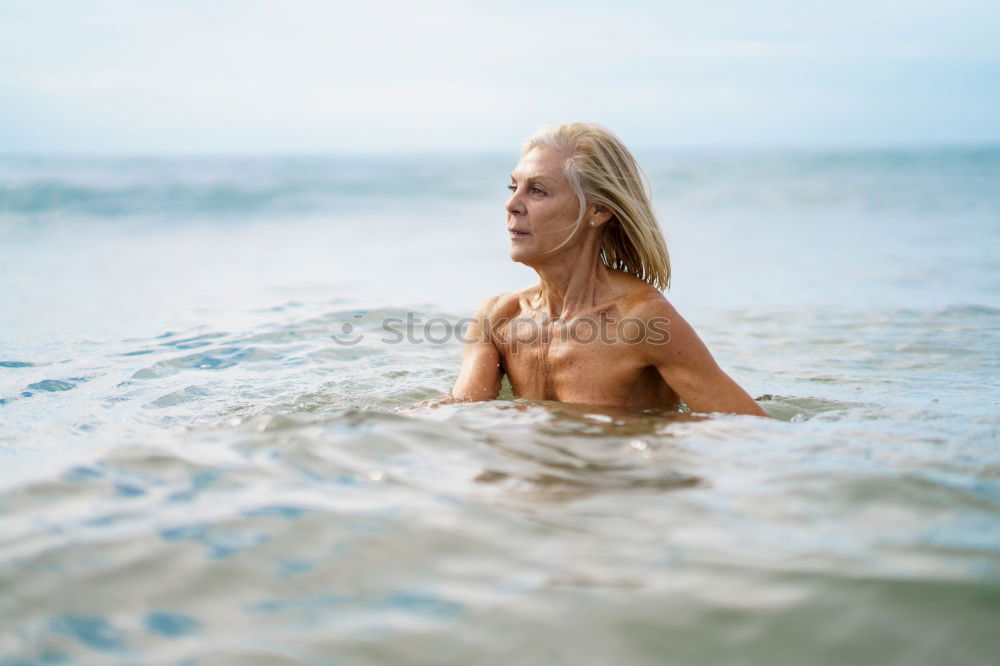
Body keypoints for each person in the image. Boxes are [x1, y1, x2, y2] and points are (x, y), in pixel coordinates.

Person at [449, 122, 770, 417]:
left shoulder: (643, 321)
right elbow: (460, 415)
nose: (512, 204)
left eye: (537, 191)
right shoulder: (499, 317)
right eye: (513, 187)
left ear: (598, 210)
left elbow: (751, 430)